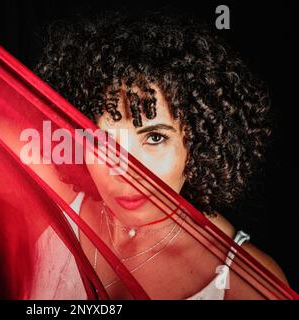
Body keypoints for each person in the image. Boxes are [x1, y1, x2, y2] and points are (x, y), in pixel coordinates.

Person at [28, 11, 288, 300]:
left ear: (199, 141)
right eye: (103, 141)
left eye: (155, 137)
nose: (124, 171)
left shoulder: (247, 284)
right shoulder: (51, 200)